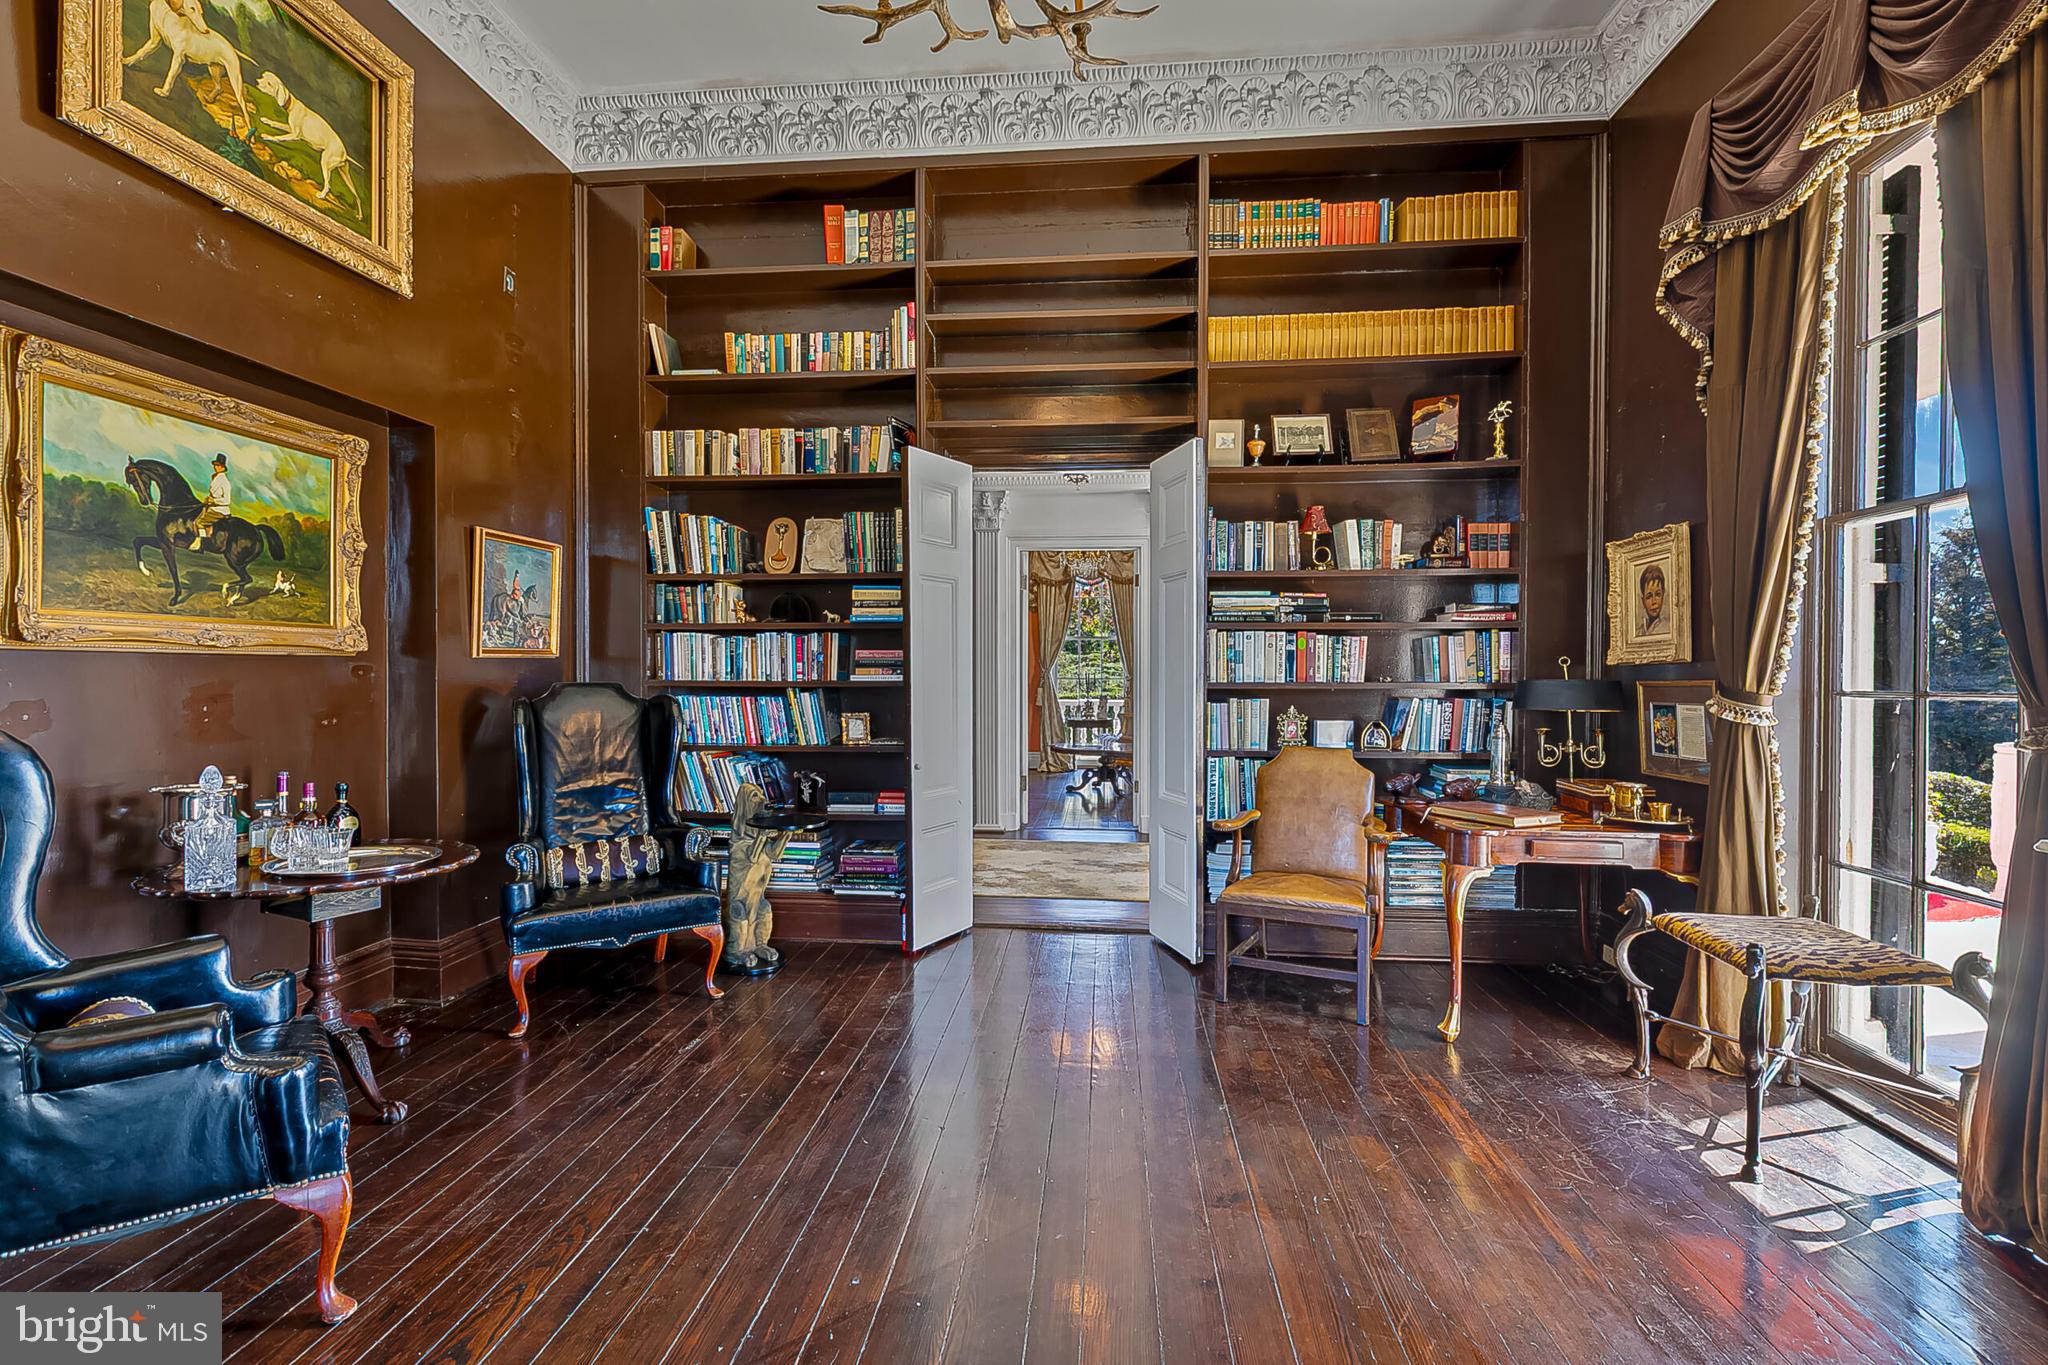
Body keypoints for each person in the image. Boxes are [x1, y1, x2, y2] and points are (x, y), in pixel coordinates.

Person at [189, 453, 231, 550]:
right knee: (196, 518)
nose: (216, 467)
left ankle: (200, 542)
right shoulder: (215, 477)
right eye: (215, 465)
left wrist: (213, 501)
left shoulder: (225, 481)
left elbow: (227, 500)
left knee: (199, 522)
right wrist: (208, 499)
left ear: (223, 467)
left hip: (220, 510)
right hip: (212, 507)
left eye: (218, 465)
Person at [1638, 564, 1667, 635]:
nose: (1654, 601)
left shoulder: (1666, 628)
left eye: (1658, 594)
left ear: (1663, 595)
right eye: (1649, 597)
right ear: (1643, 601)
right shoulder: (1639, 632)